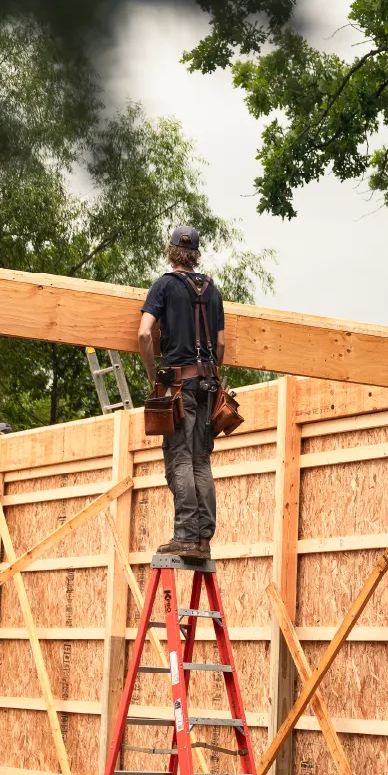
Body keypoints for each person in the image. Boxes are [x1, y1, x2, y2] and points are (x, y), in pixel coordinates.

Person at [138, 225, 226, 558]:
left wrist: (153, 377)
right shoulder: (213, 291)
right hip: (207, 386)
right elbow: (220, 345)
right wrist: (211, 375)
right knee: (201, 461)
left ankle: (186, 535)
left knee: (180, 458)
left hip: (178, 386)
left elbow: (144, 334)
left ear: (171, 251)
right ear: (195, 254)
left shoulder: (164, 286)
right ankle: (203, 539)